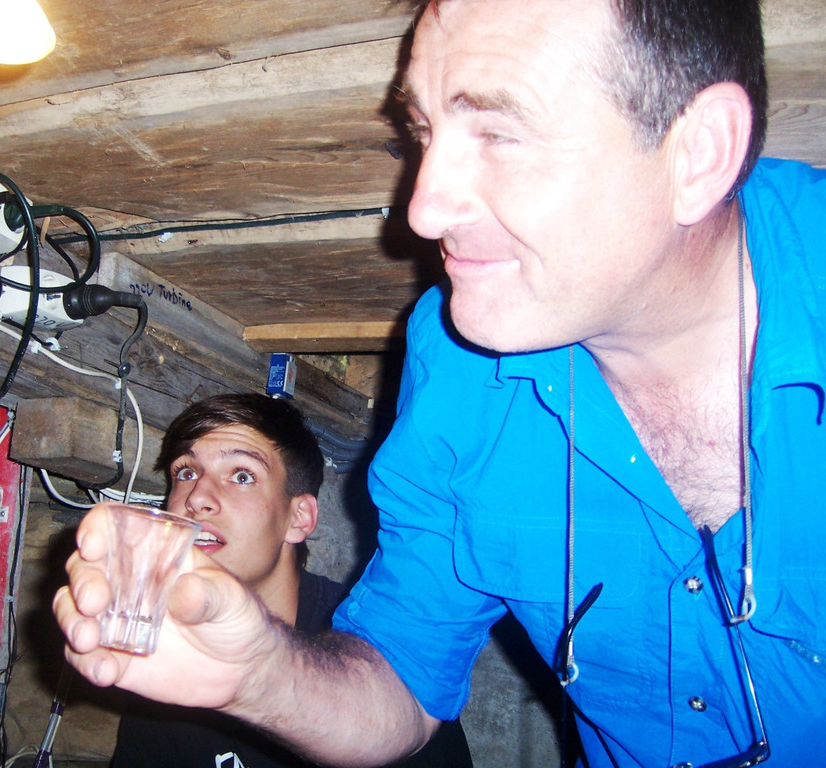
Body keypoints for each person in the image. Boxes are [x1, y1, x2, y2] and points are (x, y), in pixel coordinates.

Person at [55, 1, 826, 766]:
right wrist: (258, 675)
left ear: (699, 153)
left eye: (498, 133)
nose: (421, 211)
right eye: (422, 134)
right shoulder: (457, 357)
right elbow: (402, 683)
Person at [107, 393, 472, 768]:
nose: (197, 497)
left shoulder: (376, 649)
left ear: (299, 518)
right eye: (186, 473)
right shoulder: (164, 641)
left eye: (242, 476)